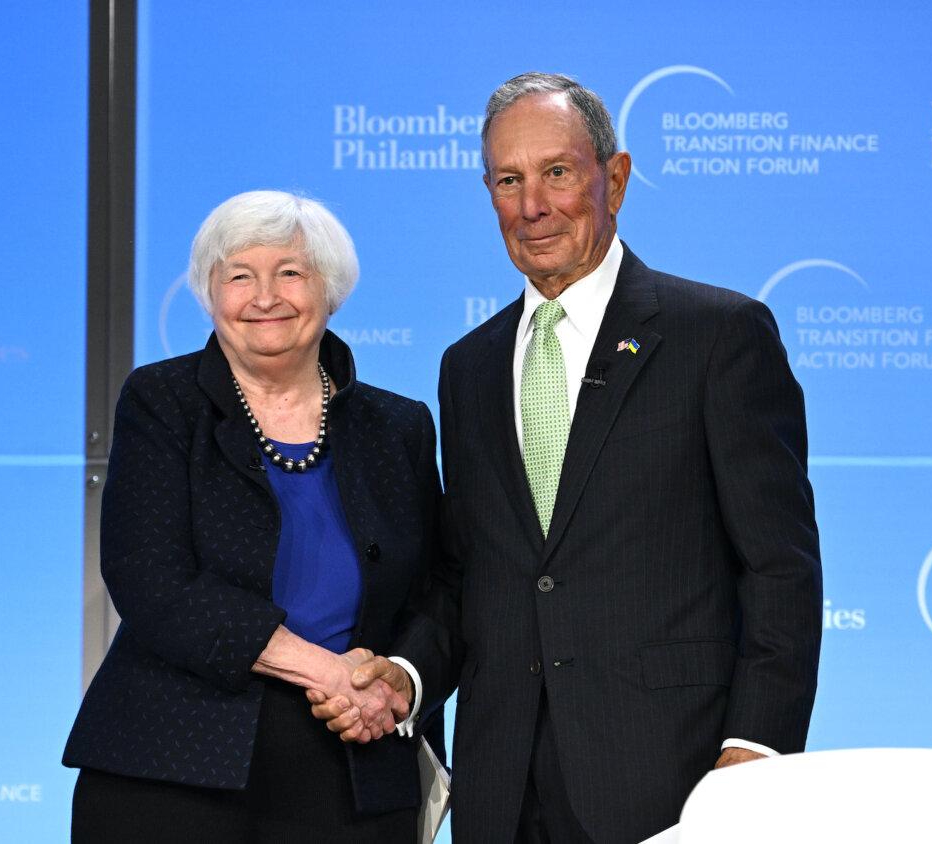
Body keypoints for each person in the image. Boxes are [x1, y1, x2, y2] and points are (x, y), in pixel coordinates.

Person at [312, 72, 823, 843]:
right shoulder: (469, 365)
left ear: (614, 178)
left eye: (557, 172)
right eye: (508, 180)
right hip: (502, 784)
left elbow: (779, 566)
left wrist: (758, 743)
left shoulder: (718, 335)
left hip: (676, 777)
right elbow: (469, 571)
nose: (532, 206)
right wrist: (409, 674)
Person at [63, 190, 442, 842]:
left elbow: (440, 591)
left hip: (355, 762)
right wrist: (328, 671)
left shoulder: (398, 426)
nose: (265, 296)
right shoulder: (162, 402)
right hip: (171, 769)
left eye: (290, 272)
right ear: (210, 295)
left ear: (332, 289)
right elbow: (148, 579)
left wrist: (396, 685)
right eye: (239, 275)